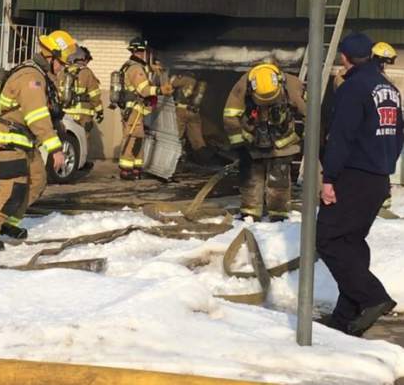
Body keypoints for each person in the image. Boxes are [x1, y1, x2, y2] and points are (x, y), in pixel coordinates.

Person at [316, 33, 403, 335]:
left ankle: (372, 297)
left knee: (327, 239)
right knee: (351, 242)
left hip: (353, 175)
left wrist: (329, 179)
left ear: (344, 58)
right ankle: (345, 318)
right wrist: (385, 167)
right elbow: (398, 137)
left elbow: (342, 137)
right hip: (378, 177)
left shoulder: (353, 88)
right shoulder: (389, 89)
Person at [0, 30, 73, 251]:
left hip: (24, 140)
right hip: (9, 138)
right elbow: (36, 115)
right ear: (51, 57)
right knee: (12, 186)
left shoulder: (40, 76)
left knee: (36, 181)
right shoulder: (31, 78)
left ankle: (8, 222)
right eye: (61, 63)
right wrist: (55, 148)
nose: (62, 67)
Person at [223, 61, 306, 221]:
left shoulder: (292, 85)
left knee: (279, 181)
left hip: (283, 142)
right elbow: (230, 116)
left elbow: (309, 113)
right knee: (251, 178)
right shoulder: (243, 85)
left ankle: (278, 215)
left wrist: (306, 137)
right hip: (252, 141)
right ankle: (250, 213)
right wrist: (240, 144)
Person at [117, 37, 172, 180]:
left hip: (134, 110)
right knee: (132, 139)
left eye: (143, 51)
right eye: (141, 51)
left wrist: (154, 68)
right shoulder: (136, 68)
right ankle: (126, 170)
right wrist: (161, 90)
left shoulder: (130, 65)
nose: (143, 54)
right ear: (135, 51)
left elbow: (143, 72)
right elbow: (144, 90)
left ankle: (136, 168)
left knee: (138, 139)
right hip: (134, 111)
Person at [57, 45, 103, 153]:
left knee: (66, 137)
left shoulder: (63, 72)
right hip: (83, 115)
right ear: (84, 59)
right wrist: (100, 111)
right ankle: (82, 162)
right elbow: (94, 95)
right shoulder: (87, 72)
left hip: (66, 112)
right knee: (83, 138)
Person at [170, 73, 218, 167]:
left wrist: (174, 76)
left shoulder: (186, 79)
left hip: (181, 110)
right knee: (197, 139)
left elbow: (172, 83)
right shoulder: (203, 84)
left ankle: (173, 161)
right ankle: (206, 161)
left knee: (177, 135)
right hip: (195, 113)